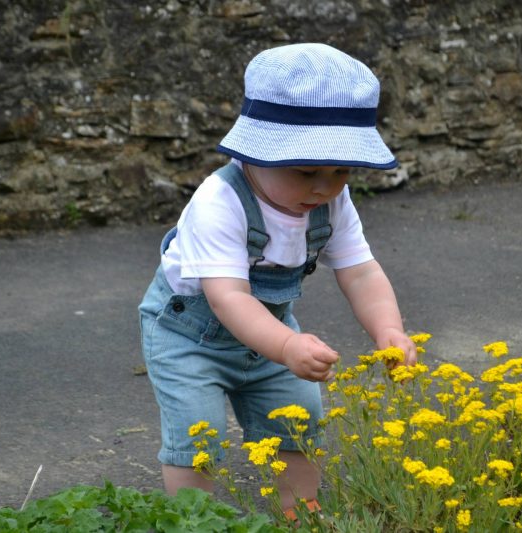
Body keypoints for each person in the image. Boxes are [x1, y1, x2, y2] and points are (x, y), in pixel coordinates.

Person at [138, 42, 417, 516]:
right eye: (306, 170)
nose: (324, 186)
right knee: (197, 433)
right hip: (189, 335)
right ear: (256, 151)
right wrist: (287, 348)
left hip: (268, 328)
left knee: (299, 418)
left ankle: (299, 512)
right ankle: (193, 520)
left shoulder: (330, 203)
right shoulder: (219, 202)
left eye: (342, 171)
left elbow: (362, 271)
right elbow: (227, 298)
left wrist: (388, 329)